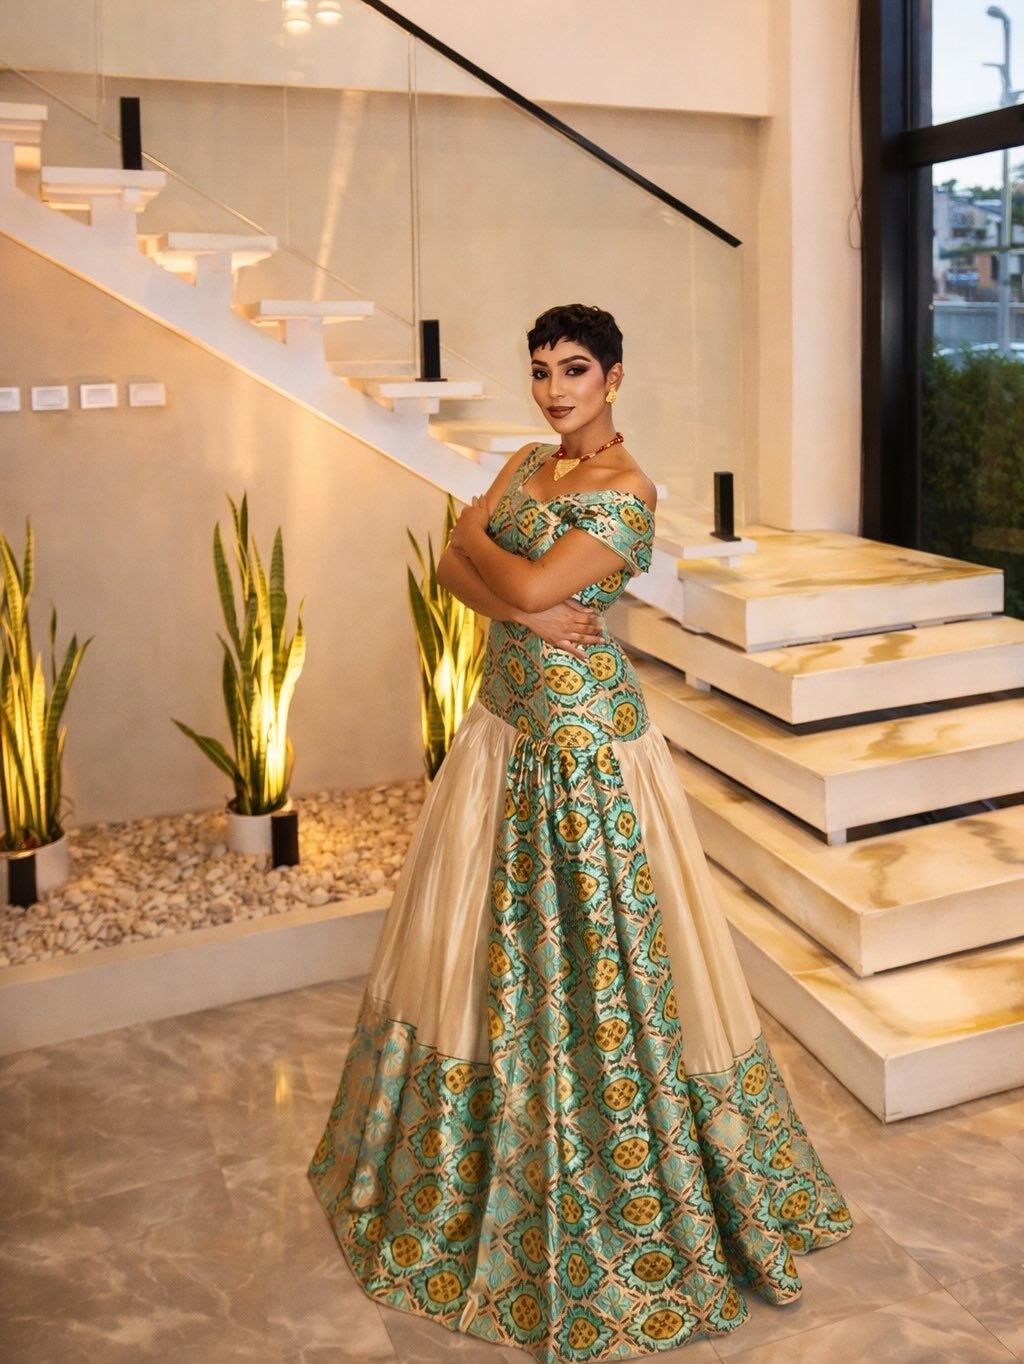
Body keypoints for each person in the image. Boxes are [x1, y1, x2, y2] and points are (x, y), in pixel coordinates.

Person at [309, 304, 852, 1362]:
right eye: (540, 371)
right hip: (505, 730)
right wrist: (506, 590)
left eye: (574, 371)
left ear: (613, 377)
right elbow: (458, 572)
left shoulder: (626, 490)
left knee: (595, 962)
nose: (553, 390)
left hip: (582, 754)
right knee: (479, 953)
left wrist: (485, 553)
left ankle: (624, 1180)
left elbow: (498, 568)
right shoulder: (526, 463)